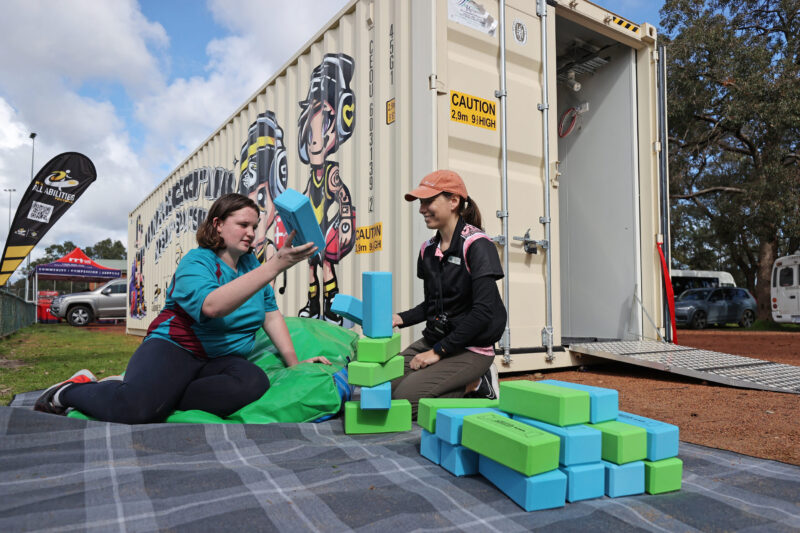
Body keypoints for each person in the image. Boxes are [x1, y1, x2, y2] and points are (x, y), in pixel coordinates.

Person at [34, 193, 330, 423]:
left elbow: (270, 314)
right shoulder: (197, 262)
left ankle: (158, 392)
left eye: (254, 226)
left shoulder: (251, 266)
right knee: (138, 410)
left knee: (253, 382)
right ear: (218, 225)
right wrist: (275, 266)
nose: (251, 233)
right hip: (174, 348)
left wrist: (293, 364)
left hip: (218, 361)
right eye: (242, 224)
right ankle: (69, 390)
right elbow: (212, 307)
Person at [391, 170, 506, 416]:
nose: (422, 209)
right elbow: (431, 306)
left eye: (428, 201)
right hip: (439, 340)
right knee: (385, 385)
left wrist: (436, 353)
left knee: (406, 402)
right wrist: (400, 318)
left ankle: (476, 384)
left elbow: (484, 312)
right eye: (420, 203)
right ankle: (463, 380)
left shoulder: (476, 245)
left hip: (472, 347)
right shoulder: (428, 250)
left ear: (453, 201)